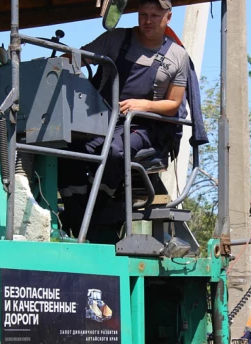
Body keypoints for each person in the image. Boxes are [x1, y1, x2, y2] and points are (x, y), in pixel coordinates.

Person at [57, 0, 193, 236]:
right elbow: (80, 57)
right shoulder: (116, 39)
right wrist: (60, 61)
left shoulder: (177, 56)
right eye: (143, 14)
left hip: (146, 126)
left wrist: (144, 105)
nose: (148, 21)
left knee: (115, 151)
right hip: (105, 120)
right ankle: (74, 211)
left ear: (168, 18)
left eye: (154, 15)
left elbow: (173, 104)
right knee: (68, 148)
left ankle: (103, 205)